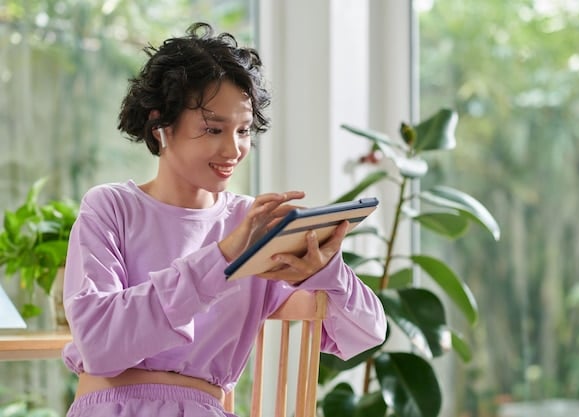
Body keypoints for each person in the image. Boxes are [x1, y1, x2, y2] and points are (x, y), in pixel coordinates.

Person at [61, 22, 386, 417]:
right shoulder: (110, 208)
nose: (233, 149)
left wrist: (325, 272)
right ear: (161, 124)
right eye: (213, 128)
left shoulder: (252, 225)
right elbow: (99, 344)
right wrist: (223, 256)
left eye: (244, 130)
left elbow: (366, 332)